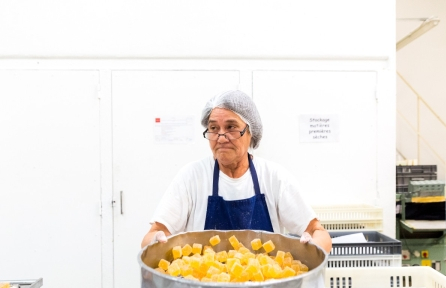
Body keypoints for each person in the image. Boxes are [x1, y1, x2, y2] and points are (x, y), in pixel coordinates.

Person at [141, 90, 332, 254]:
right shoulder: (192, 177)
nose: (221, 137)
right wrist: (156, 242)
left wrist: (314, 246)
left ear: (251, 133)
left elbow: (319, 232)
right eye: (214, 128)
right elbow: (151, 236)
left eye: (231, 127)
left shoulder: (274, 177)